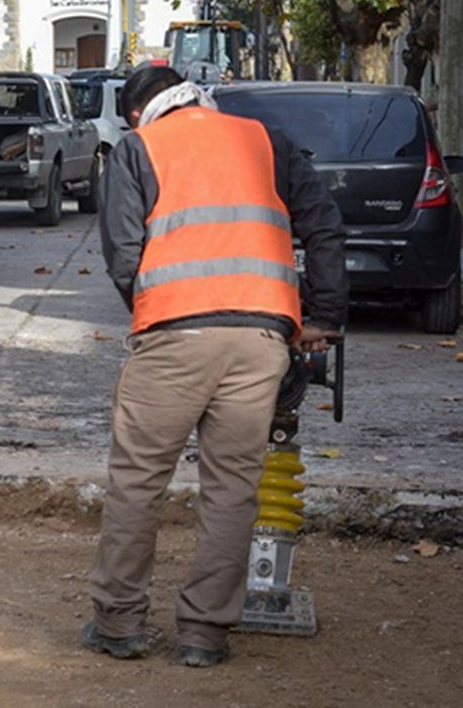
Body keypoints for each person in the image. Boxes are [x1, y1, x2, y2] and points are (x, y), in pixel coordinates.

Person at [85, 65, 346, 668]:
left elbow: (123, 255)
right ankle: (204, 635)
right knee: (232, 489)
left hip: (176, 334)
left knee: (139, 479)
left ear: (136, 113)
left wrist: (157, 309)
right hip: (262, 336)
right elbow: (323, 225)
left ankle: (119, 623)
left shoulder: (137, 148)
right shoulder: (263, 139)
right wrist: (323, 316)